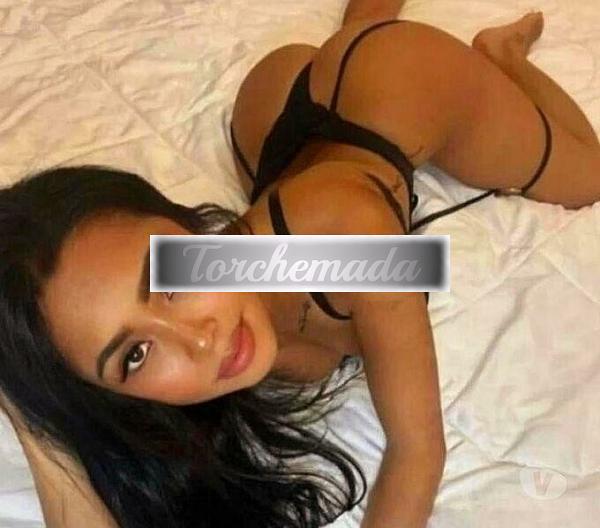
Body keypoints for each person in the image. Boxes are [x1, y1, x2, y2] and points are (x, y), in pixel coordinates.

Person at [1, 0, 599, 526]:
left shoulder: (357, 236)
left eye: (167, 280)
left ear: (180, 222)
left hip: (403, 82)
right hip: (275, 112)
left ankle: (499, 54)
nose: (199, 340)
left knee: (591, 177)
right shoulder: (166, 374)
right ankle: (357, 30)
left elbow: (419, 451)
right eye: (134, 354)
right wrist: (27, 404)